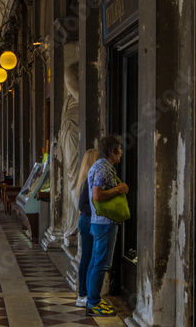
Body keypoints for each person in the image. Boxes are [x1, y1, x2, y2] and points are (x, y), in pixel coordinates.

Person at [86, 135, 129, 316]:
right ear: (112, 151)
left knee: (96, 262)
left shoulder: (98, 166)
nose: (121, 153)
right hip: (105, 222)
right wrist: (119, 189)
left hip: (99, 222)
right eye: (119, 149)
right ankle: (94, 302)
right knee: (101, 264)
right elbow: (97, 195)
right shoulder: (103, 167)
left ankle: (92, 299)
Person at [74, 149, 99, 308]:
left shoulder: (89, 178)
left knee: (90, 258)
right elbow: (83, 205)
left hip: (89, 220)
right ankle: (82, 294)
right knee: (87, 258)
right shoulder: (88, 180)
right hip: (88, 221)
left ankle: (87, 292)